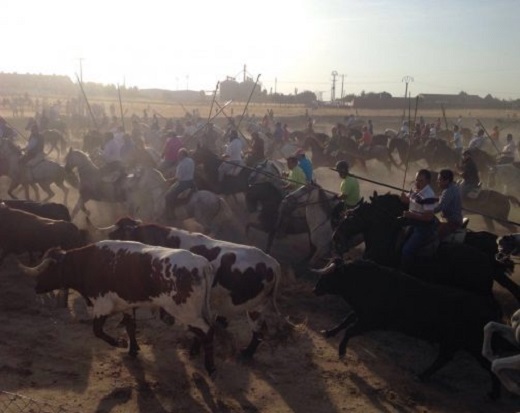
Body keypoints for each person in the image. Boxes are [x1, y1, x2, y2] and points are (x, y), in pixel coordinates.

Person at [399, 169, 438, 272]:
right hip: (411, 222)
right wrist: (404, 199)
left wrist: (411, 215)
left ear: (428, 182)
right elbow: (411, 200)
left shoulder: (429, 195)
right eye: (416, 180)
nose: (417, 183)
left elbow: (428, 217)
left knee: (407, 250)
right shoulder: (415, 188)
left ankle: (406, 273)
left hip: (423, 227)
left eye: (421, 181)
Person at [164, 148, 196, 220]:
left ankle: (171, 215)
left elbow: (178, 177)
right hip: (192, 182)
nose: (178, 156)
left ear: (182, 155)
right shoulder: (191, 160)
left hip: (183, 184)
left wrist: (169, 180)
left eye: (179, 155)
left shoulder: (181, 164)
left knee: (168, 196)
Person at [433, 169, 463, 240]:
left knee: (434, 236)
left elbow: (439, 207)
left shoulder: (448, 191)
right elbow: (442, 199)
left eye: (439, 179)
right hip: (455, 219)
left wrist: (425, 210)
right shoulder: (453, 187)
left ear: (446, 181)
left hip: (451, 222)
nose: (437, 181)